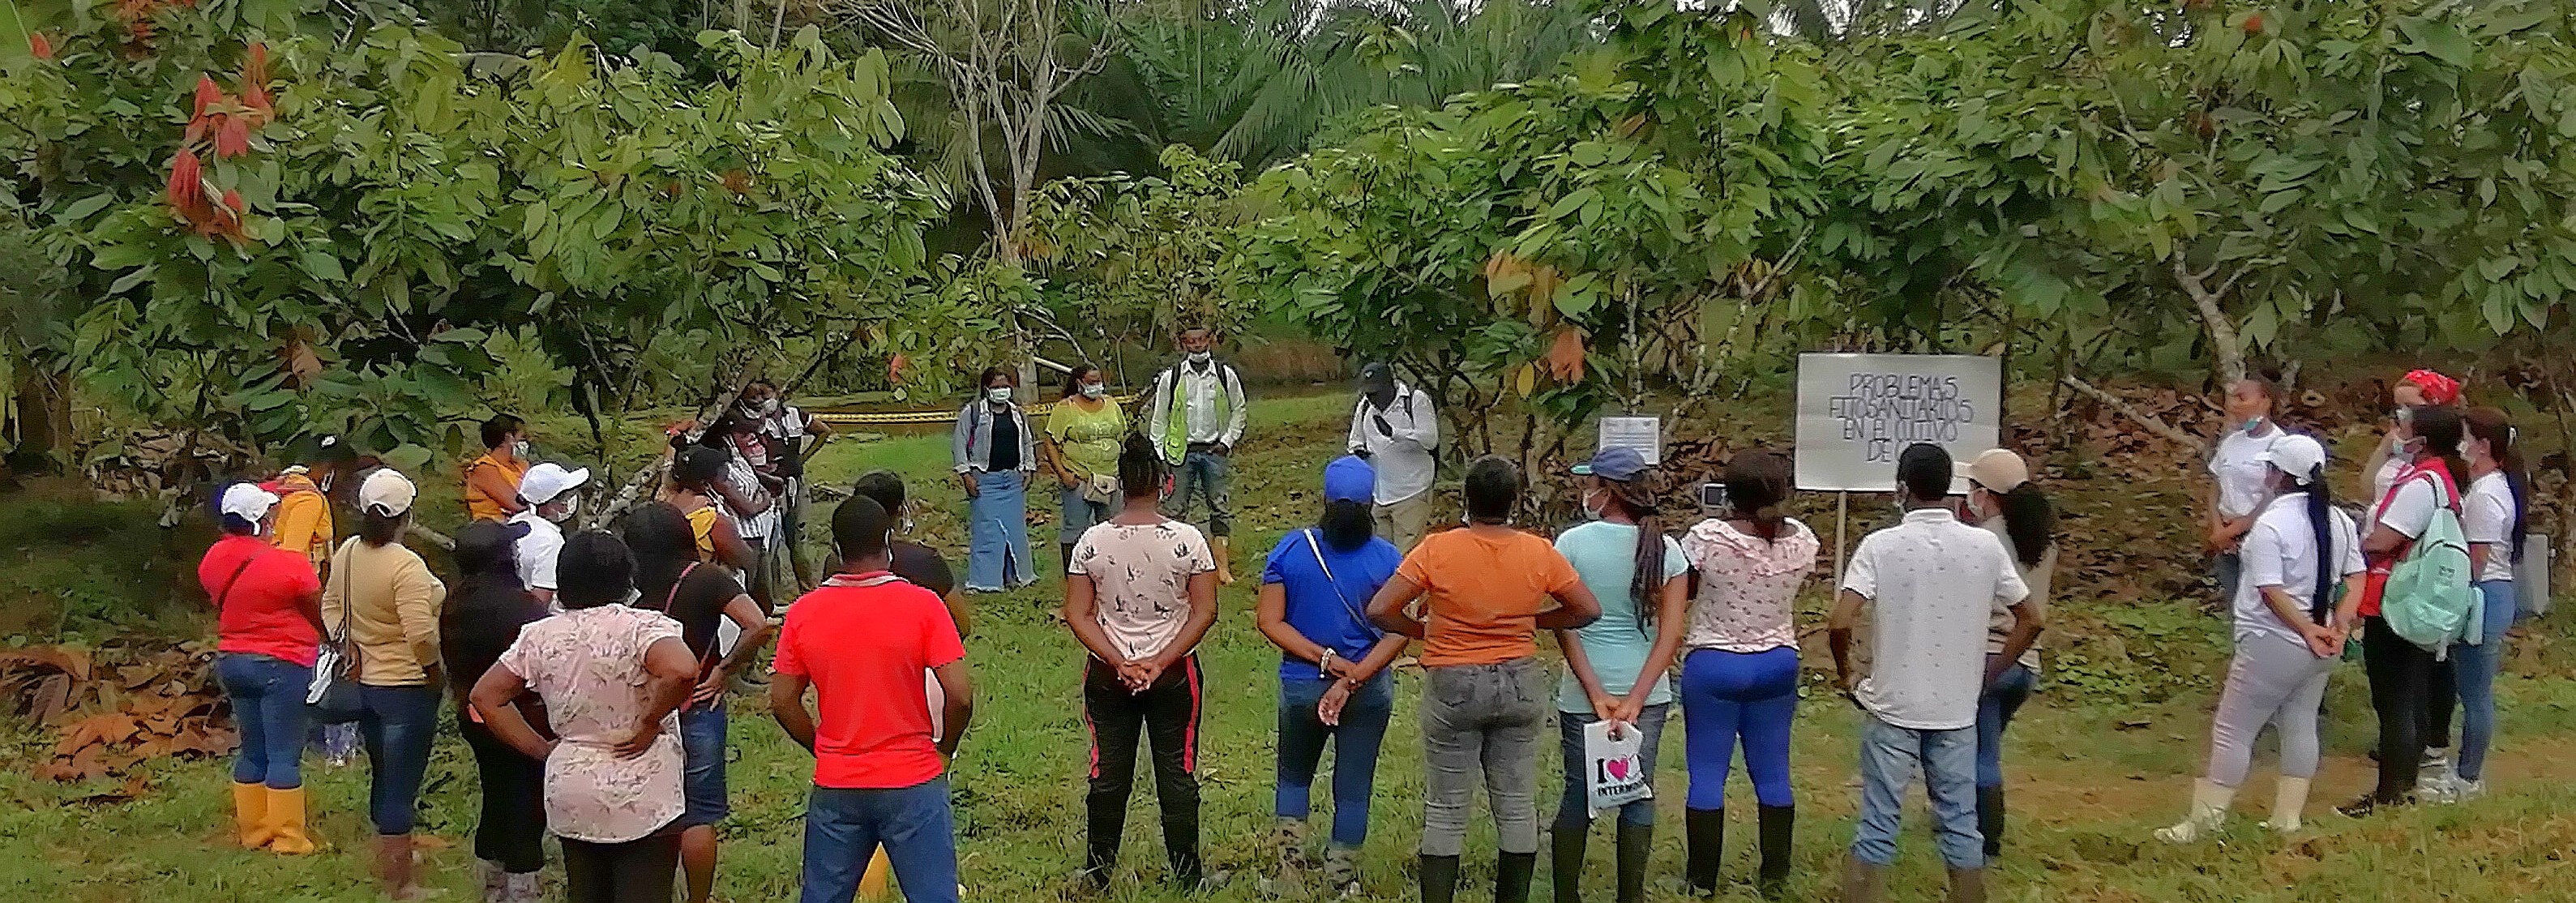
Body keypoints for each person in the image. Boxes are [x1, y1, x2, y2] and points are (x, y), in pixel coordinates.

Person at [1367, 456, 1602, 903]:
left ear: (1466, 499)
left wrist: (1423, 631)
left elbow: (1380, 609)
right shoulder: (1538, 551)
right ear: (1513, 501)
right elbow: (1587, 609)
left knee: (1446, 809)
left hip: (1453, 682)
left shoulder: (1437, 549)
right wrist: (1533, 620)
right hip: (1520, 680)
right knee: (1516, 803)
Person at [1829, 443, 2036, 903]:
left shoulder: (1880, 545)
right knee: (1960, 822)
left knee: (1878, 822)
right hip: (1956, 710)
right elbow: (2031, 619)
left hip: (1893, 706)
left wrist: (1848, 675)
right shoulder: (1984, 545)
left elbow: (1840, 622)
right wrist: (1990, 673)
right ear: (1951, 488)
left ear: (1901, 488)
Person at [2155, 434, 2362, 841]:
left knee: (2233, 729)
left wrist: (2306, 628)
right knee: (2300, 723)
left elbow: (2269, 590)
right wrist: (2339, 623)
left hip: (2274, 639)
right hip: (2323, 643)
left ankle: (2204, 822)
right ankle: (2287, 818)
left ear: (2278, 475)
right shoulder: (2339, 519)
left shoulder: (2272, 524)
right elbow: (2356, 575)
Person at [471, 533, 695, 903]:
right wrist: (649, 721)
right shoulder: (644, 627)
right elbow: (682, 669)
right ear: (627, 578)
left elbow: (485, 696)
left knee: (587, 892)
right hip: (643, 786)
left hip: (572, 785)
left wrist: (542, 749)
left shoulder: (540, 635)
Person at [772, 496, 975, 903]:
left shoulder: (803, 613)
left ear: (835, 548)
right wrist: (944, 748)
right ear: (888, 542)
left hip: (838, 782)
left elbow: (782, 702)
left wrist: (822, 747)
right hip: (913, 778)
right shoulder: (924, 605)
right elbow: (960, 696)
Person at [1063, 434, 1224, 891]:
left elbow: (1077, 613)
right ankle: (1188, 878)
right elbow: (1205, 611)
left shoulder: (1092, 542)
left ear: (1119, 483)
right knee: (1178, 771)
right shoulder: (1189, 541)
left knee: (1107, 773)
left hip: (1108, 674)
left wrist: (1119, 660)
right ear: (1165, 483)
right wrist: (1160, 661)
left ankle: (1097, 876)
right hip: (1174, 674)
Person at [1254, 456, 1409, 897]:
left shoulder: (1291, 550)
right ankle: (1341, 880)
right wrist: (1355, 675)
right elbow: (1402, 630)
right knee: (1354, 788)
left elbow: (1269, 621)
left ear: (1324, 499)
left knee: (1293, 777)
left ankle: (1289, 876)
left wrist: (1325, 660)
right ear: (1372, 504)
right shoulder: (1389, 559)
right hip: (1368, 689)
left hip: (1302, 684)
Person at [1674, 451, 1816, 898]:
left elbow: (1686, 588)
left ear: (1729, 494)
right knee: (1773, 772)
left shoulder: (1707, 537)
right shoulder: (1802, 540)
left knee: (1707, 774)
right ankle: (1774, 877)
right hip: (1777, 659)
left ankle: (1701, 881)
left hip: (1714, 660)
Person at [1549, 447, 1688, 903]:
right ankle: (1631, 895)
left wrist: (1594, 692)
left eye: (1590, 484)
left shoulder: (1571, 544)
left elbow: (1565, 624)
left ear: (1607, 492)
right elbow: (1670, 635)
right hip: (1647, 694)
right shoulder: (1668, 550)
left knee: (1578, 792)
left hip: (1582, 693)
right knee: (1638, 791)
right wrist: (1636, 699)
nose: (1584, 491)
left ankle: (1565, 895)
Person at [627, 503, 773, 903]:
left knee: (650, 810)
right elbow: (758, 624)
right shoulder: (705, 578)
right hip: (697, 703)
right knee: (699, 814)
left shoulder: (626, 584)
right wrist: (724, 670)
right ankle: (698, 898)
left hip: (643, 708)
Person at [845, 470, 973, 899]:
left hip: (855, 686)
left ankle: (869, 884)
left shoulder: (838, 567)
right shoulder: (924, 561)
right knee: (923, 793)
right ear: (898, 512)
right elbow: (962, 623)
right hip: (923, 681)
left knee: (865, 795)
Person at [2340, 404, 2471, 818]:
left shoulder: (2421, 483)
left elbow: (2385, 539)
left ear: (2421, 440)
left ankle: (2390, 794)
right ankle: (2401, 789)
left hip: (2395, 599)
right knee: (2410, 695)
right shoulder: (2443, 480)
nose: (2397, 435)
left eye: (2403, 429)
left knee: (2395, 700)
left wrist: (2354, 546)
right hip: (2414, 598)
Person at [323, 469, 450, 900]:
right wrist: (433, 671)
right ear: (406, 516)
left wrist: (347, 644)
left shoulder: (348, 551)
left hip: (367, 682)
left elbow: (331, 604)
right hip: (406, 685)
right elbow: (421, 634)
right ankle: (400, 884)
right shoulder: (405, 565)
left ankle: (392, 857)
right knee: (402, 782)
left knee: (383, 772)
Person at [203, 481, 326, 855]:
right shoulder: (288, 563)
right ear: (260, 521)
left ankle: (254, 832)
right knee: (284, 753)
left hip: (232, 660)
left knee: (252, 749)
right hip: (281, 663)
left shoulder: (212, 558)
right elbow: (316, 607)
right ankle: (288, 838)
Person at [439, 520, 551, 902]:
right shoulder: (522, 608)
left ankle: (492, 884)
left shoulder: (455, 602)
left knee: (496, 793)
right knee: (526, 802)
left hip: (472, 715)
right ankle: (522, 888)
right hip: (520, 716)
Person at [1955, 449, 2056, 862]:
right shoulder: (2042, 542)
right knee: (1988, 747)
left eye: (1972, 487)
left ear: (1986, 494)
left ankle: (1984, 840)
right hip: (2026, 663)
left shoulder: (1983, 541)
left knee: (1980, 755)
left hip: (1991, 657)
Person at [2436, 408, 2528, 802]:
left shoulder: (2486, 495)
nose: (2461, 446)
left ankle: (2468, 776)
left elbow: (2477, 558)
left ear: (2484, 445)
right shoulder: (2494, 486)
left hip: (2484, 594)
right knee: (2474, 689)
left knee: (2475, 693)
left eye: (2465, 438)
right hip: (2495, 592)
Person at [1149, 325, 1250, 584]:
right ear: (1183, 344)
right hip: (1181, 453)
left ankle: (1222, 567)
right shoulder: (1171, 378)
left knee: (1220, 508)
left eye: (1201, 340)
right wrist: (1161, 455)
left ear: (1210, 341)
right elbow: (1159, 418)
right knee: (1175, 509)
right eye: (1191, 341)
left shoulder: (1224, 375)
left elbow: (1239, 410)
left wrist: (1227, 442)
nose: (1196, 346)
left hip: (1214, 450)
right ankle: (1173, 564)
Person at [952, 366, 1038, 593]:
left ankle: (1015, 576)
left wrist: (1029, 468)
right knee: (988, 533)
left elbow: (1027, 441)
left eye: (1005, 386)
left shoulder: (1017, 413)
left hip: (1013, 481)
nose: (1002, 390)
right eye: (996, 387)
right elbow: (960, 445)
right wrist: (966, 475)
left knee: (1015, 532)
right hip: (985, 482)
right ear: (986, 388)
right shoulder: (972, 413)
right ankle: (986, 582)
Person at [743, 378, 832, 585]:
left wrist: (803, 458)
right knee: (771, 543)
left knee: (798, 538)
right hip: (769, 488)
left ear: (776, 394)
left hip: (795, 484)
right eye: (757, 396)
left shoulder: (795, 415)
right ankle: (774, 592)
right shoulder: (754, 423)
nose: (762, 400)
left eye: (765, 394)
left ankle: (807, 587)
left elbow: (823, 431)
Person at [2204, 376, 2283, 603]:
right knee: (2234, 602)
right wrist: (2218, 527)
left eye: (2242, 398)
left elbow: (2274, 496)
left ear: (2265, 401)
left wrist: (2237, 529)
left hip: (2258, 536)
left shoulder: (2279, 445)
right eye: (2232, 399)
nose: (2234, 405)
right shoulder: (2231, 442)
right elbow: (2216, 486)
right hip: (2226, 537)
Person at [1346, 362, 1439, 551]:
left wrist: (1395, 433)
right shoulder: (1365, 405)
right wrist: (1359, 451)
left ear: (1391, 384)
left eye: (1376, 393)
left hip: (1411, 491)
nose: (1373, 398)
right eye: (1368, 393)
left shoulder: (1415, 400)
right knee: (1382, 555)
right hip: (1378, 494)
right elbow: (1355, 440)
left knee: (1408, 556)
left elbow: (1431, 440)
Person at [1044, 364, 1128, 570]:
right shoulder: (1066, 408)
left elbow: (1123, 437)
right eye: (1091, 382)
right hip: (1079, 480)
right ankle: (1074, 573)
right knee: (1076, 529)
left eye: (1098, 381)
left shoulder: (1111, 405)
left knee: (1113, 528)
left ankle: (1110, 570)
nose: (1096, 386)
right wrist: (1063, 474)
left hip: (1111, 479)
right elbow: (1050, 442)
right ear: (1079, 383)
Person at [2364, 370, 2463, 503]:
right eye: (2399, 407)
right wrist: (2384, 450)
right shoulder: (2398, 442)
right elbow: (2368, 491)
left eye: (2410, 407)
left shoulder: (2453, 456)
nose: (2402, 413)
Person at [269, 434, 357, 573]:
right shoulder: (309, 501)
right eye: (345, 476)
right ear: (331, 471)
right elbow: (292, 555)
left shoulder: (287, 483)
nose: (344, 483)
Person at [509, 461, 589, 609]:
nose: (568, 501)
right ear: (547, 503)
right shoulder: (550, 541)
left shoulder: (517, 521)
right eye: (564, 497)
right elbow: (541, 600)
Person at [665, 446, 758, 572]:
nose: (730, 483)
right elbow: (747, 560)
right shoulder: (710, 520)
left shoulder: (669, 501)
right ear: (705, 484)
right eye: (724, 479)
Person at [466, 414, 533, 522]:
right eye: (523, 437)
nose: (527, 441)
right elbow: (516, 504)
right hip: (493, 528)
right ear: (508, 437)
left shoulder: (521, 465)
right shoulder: (484, 468)